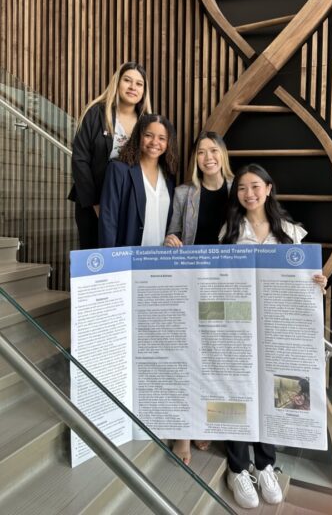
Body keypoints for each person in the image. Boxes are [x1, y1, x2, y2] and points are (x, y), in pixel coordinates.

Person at [221, 163, 327, 509]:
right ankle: (238, 468)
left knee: (273, 393)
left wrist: (319, 285)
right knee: (238, 392)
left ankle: (265, 463)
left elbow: (303, 286)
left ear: (269, 188)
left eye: (254, 186)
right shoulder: (229, 231)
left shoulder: (292, 233)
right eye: (241, 188)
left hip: (278, 331)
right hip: (238, 327)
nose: (248, 194)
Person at [164, 130, 234, 465]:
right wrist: (170, 240)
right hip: (191, 285)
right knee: (188, 356)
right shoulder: (183, 193)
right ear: (196, 159)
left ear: (222, 154)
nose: (208, 157)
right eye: (202, 152)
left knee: (217, 359)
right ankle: (183, 434)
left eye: (213, 150)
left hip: (227, 287)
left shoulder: (240, 190)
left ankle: (206, 421)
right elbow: (174, 232)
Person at [68, 62, 151, 249]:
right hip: (92, 203)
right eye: (127, 80)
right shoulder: (96, 113)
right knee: (95, 260)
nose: (132, 87)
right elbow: (80, 159)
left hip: (129, 204)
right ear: (117, 83)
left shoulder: (146, 122)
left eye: (139, 84)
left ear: (144, 91)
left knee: (123, 260)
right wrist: (96, 203)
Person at [99, 114, 178, 248]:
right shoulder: (118, 170)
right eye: (148, 135)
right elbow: (108, 220)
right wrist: (110, 261)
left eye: (162, 138)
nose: (154, 142)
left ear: (168, 143)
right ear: (138, 136)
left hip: (159, 260)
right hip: (127, 260)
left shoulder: (168, 177)